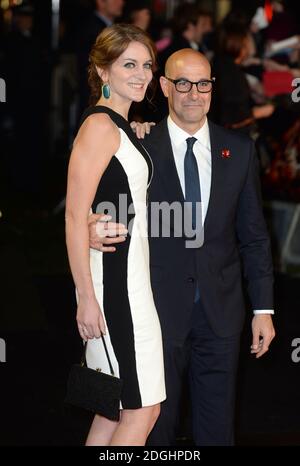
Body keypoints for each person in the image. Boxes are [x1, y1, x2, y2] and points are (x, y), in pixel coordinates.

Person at [88, 48, 276, 446]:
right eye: (183, 83)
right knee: (156, 426)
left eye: (203, 83)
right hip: (156, 313)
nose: (194, 93)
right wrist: (92, 224)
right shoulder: (139, 145)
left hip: (221, 314)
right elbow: (107, 207)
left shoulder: (239, 150)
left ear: (213, 87)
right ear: (164, 87)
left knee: (216, 428)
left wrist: (263, 308)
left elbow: (254, 236)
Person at [65, 24, 166, 446]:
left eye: (146, 64)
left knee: (113, 409)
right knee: (141, 409)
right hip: (112, 291)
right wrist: (86, 298)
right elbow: (73, 215)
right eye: (129, 64)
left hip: (130, 284)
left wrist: (139, 132)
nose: (141, 74)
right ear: (103, 71)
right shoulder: (100, 127)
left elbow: (108, 198)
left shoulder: (122, 127)